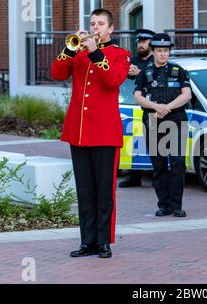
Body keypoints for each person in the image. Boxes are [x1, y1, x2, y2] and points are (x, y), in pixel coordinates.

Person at [51, 8, 131, 258]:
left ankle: (104, 241)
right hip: (80, 132)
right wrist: (70, 49)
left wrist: (94, 51)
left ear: (111, 29)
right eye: (92, 23)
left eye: (100, 24)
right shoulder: (78, 54)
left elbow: (112, 81)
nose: (95, 28)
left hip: (105, 133)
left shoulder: (120, 54)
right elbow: (56, 73)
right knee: (84, 190)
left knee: (104, 191)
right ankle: (88, 241)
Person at [134, 33, 192, 217]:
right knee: (158, 164)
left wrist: (167, 107)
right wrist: (156, 107)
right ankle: (163, 204)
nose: (162, 54)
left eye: (165, 51)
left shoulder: (178, 70)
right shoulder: (144, 73)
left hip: (175, 119)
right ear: (153, 51)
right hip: (152, 120)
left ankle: (176, 206)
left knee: (177, 163)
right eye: (159, 51)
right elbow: (137, 98)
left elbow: (187, 95)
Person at [119, 28, 156, 188]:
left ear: (151, 43)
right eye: (139, 42)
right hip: (131, 105)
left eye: (143, 42)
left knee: (154, 143)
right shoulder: (132, 59)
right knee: (135, 142)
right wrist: (126, 71)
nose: (140, 45)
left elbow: (157, 79)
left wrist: (140, 73)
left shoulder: (157, 60)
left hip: (152, 106)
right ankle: (135, 176)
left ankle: (157, 175)